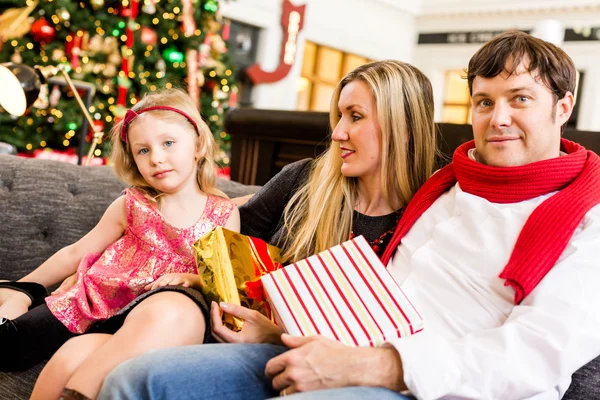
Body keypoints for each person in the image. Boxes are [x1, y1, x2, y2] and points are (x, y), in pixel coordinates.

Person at [99, 59, 440, 399]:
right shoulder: (303, 181)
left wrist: (275, 334)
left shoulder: (431, 220)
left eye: (356, 116)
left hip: (342, 378)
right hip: (247, 349)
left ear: (403, 127)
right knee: (131, 379)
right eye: (339, 117)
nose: (337, 133)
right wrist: (194, 275)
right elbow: (218, 233)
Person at [0, 88, 240, 400]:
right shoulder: (133, 203)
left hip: (139, 323)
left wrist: (192, 278)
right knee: (9, 346)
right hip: (87, 303)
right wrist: (24, 285)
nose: (156, 158)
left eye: (168, 143)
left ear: (197, 144)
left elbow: (222, 283)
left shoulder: (223, 214)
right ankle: (18, 297)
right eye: (143, 151)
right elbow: (76, 251)